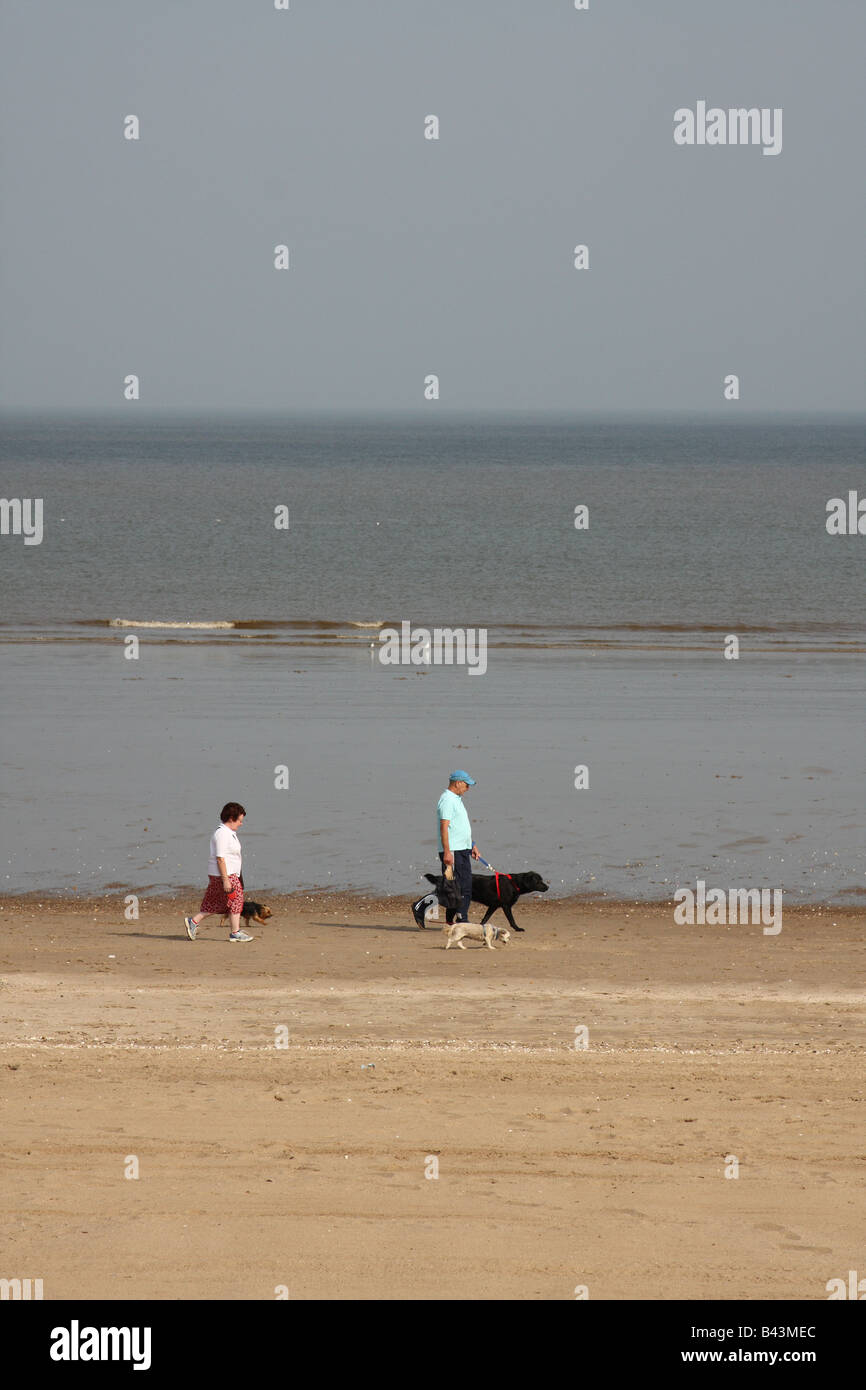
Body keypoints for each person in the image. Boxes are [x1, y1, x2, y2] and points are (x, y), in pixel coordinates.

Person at [412, 771, 481, 928]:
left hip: (462, 849)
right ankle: (460, 919)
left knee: (463, 887)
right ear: (457, 783)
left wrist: (472, 844)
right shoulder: (447, 800)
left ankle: (457, 919)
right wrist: (447, 851)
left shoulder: (457, 799)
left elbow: (460, 827)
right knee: (453, 888)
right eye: (466, 784)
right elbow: (444, 827)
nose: (468, 788)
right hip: (453, 851)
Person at [184, 802, 253, 942]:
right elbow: (220, 858)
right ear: (231, 818)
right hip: (224, 874)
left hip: (228, 874)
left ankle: (194, 921)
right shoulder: (222, 833)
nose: (241, 824)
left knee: (220, 903)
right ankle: (235, 932)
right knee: (236, 900)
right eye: (240, 820)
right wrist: (226, 879)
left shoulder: (229, 833)